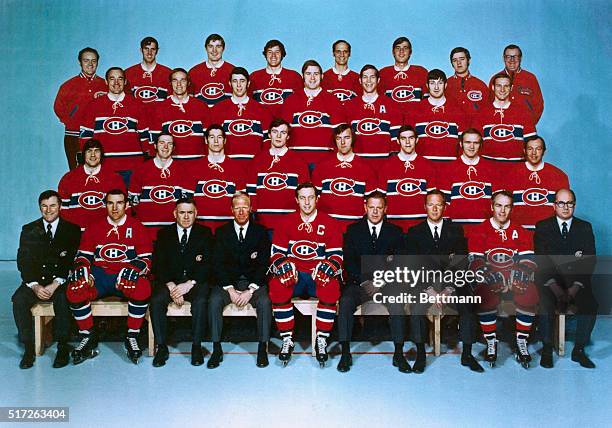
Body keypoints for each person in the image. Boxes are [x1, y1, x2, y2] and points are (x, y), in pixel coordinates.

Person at [66, 189, 152, 365]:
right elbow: (83, 256)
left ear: (127, 205)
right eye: (110, 203)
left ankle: (132, 335)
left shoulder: (137, 226)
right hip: (100, 275)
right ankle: (87, 335)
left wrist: (133, 269)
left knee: (143, 288)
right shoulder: (94, 227)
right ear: (105, 205)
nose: (115, 207)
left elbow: (146, 258)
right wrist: (84, 270)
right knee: (75, 288)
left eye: (119, 203)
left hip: (123, 277)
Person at [406, 190, 483, 373]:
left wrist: (448, 288)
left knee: (468, 302)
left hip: (452, 282)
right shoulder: (414, 232)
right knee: (416, 308)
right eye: (431, 204)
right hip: (425, 284)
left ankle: (467, 354)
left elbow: (460, 261)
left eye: (439, 204)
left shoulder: (455, 230)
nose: (434, 208)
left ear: (444, 207)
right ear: (425, 207)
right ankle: (421, 355)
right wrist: (430, 290)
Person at [269, 183, 343, 367]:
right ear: (296, 200)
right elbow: (276, 254)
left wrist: (327, 265)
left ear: (317, 199)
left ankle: (321, 339)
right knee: (277, 286)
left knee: (331, 286)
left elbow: (336, 255)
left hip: (316, 276)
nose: (307, 202)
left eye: (311, 197)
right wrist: (284, 265)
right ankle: (287, 339)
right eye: (302, 198)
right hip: (295, 276)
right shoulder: (285, 222)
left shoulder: (330, 223)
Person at [337, 191, 409, 373]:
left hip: (386, 283)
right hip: (359, 283)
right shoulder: (353, 230)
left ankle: (399, 353)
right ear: (365, 207)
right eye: (371, 208)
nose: (375, 212)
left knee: (398, 301)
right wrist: (365, 281)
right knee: (345, 302)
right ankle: (345, 352)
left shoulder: (396, 232)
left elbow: (399, 262)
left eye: (379, 208)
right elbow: (349, 262)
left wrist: (380, 281)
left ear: (386, 209)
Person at [468, 190, 538, 369]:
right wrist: (490, 277)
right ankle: (491, 341)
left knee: (530, 294)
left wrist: (517, 277)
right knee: (483, 294)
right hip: (490, 279)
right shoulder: (478, 230)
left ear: (512, 209)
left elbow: (528, 261)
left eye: (507, 206)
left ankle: (521, 341)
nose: (502, 211)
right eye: (498, 205)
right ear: (492, 207)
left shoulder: (521, 231)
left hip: (513, 279)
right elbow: (475, 262)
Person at [13, 190, 81, 369]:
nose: (48, 210)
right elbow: (23, 261)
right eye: (44, 206)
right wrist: (34, 286)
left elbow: (71, 261)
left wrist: (56, 283)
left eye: (52, 205)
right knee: (19, 300)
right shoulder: (29, 230)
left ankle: (62, 346)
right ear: (39, 207)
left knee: (63, 299)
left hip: (59, 282)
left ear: (60, 206)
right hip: (35, 282)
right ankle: (28, 348)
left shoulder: (72, 230)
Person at [534, 189, 597, 368]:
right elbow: (542, 261)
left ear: (574, 206)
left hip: (577, 283)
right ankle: (546, 349)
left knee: (590, 304)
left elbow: (590, 260)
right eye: (561, 203)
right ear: (554, 205)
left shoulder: (584, 227)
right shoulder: (543, 227)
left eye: (569, 203)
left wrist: (575, 287)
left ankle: (579, 350)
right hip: (550, 282)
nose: (565, 207)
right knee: (546, 303)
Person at [209, 193, 272, 368]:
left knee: (265, 302)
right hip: (228, 283)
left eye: (245, 207)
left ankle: (262, 348)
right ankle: (216, 349)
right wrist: (229, 289)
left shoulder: (260, 232)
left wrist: (250, 290)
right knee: (214, 301)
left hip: (252, 283)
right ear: (231, 210)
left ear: (251, 208)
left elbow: (263, 264)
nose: (242, 211)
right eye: (237, 207)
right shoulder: (221, 232)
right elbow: (217, 264)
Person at [150, 198, 213, 367]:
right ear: (175, 214)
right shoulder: (164, 234)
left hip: (194, 283)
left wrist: (189, 284)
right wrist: (171, 287)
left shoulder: (205, 233)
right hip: (170, 282)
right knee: (156, 301)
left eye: (190, 213)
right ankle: (162, 347)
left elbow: (208, 264)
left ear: (196, 214)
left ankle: (196, 346)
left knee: (201, 301)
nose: (186, 217)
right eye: (182, 212)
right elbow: (158, 264)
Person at [78, 67, 148, 185]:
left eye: (120, 79)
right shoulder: (94, 105)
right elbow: (85, 137)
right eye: (112, 79)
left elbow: (145, 137)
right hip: (105, 166)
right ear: (106, 81)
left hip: (133, 166)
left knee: (131, 202)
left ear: (125, 81)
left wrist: (144, 164)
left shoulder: (137, 104)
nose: (116, 83)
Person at [247, 118, 310, 230]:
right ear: (269, 135)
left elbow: (304, 195)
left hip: (290, 224)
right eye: (275, 132)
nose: (279, 136)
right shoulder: (257, 160)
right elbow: (251, 193)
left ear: (288, 136)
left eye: (283, 132)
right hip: (262, 225)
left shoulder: (299, 162)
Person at [280, 60, 346, 166]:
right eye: (308, 74)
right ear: (303, 76)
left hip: (325, 161)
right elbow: (282, 133)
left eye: (316, 74)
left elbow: (341, 134)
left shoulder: (332, 100)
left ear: (322, 76)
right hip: (295, 161)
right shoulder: (291, 100)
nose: (312, 78)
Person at [311, 124, 377, 229]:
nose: (342, 142)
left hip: (355, 228)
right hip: (326, 227)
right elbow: (314, 200)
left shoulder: (366, 168)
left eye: (347, 138)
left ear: (353, 139)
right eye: (339, 138)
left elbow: (371, 203)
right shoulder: (322, 167)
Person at [438, 129, 500, 235]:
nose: (471, 147)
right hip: (456, 230)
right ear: (461, 144)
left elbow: (498, 204)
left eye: (475, 143)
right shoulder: (448, 169)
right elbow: (444, 204)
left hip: (484, 230)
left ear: (480, 145)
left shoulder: (492, 169)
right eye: (468, 142)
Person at [54, 47, 107, 169]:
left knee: (101, 170)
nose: (90, 64)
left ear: (97, 62)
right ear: (80, 62)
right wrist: (71, 120)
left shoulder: (104, 84)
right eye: (86, 60)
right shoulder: (69, 85)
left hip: (98, 135)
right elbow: (58, 106)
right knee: (77, 170)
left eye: (93, 61)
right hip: (74, 135)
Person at [129, 133, 193, 232]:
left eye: (169, 143)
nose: (165, 147)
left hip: (173, 232)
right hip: (146, 229)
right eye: (162, 143)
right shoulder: (142, 169)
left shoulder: (183, 170)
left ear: (174, 147)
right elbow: (134, 201)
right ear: (155, 145)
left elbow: (187, 203)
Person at [377, 125, 437, 231]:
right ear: (398, 141)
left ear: (417, 140)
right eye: (403, 139)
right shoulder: (387, 166)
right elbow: (381, 199)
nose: (408, 142)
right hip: (393, 226)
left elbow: (432, 200)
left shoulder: (427, 166)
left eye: (411, 138)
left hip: (421, 226)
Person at [58, 139, 126, 230]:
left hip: (104, 233)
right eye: (89, 151)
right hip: (76, 234)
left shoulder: (114, 178)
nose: (93, 155)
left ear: (101, 154)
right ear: (83, 154)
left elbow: (123, 210)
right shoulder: (68, 178)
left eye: (97, 151)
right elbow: (63, 211)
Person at [190, 124, 247, 232]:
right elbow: (188, 203)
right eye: (212, 137)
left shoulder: (237, 168)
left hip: (229, 229)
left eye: (219, 137)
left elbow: (241, 202)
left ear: (225, 141)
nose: (216, 141)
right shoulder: (194, 168)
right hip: (201, 228)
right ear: (206, 140)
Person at [209, 67, 273, 161]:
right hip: (227, 167)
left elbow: (268, 143)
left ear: (248, 83)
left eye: (242, 81)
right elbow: (212, 142)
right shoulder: (218, 109)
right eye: (235, 81)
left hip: (254, 165)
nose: (239, 85)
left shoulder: (262, 110)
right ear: (230, 83)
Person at [344, 64, 403, 166]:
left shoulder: (391, 104)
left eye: (372, 77)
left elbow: (396, 137)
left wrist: (393, 162)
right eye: (365, 77)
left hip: (384, 163)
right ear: (360, 81)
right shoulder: (350, 105)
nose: (369, 81)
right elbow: (346, 137)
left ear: (378, 80)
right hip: (358, 163)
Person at [507, 135, 569, 229]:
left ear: (544, 151)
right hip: (518, 232)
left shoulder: (558, 175)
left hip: (548, 232)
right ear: (524, 151)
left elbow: (564, 208)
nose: (534, 153)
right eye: (530, 149)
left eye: (538, 149)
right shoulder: (511, 175)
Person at [404, 69, 467, 161]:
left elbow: (464, 144)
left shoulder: (457, 110)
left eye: (440, 83)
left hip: (449, 167)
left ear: (445, 85)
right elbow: (408, 143)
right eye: (432, 83)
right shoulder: (415, 110)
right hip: (423, 167)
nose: (436, 87)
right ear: (427, 85)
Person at [148, 68, 209, 160]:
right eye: (175, 80)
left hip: (197, 162)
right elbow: (154, 141)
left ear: (188, 83)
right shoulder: (160, 108)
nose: (179, 84)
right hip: (172, 164)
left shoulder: (201, 106)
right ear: (170, 83)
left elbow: (209, 138)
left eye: (183, 80)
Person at [474, 72, 536, 162]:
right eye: (499, 86)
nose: (502, 90)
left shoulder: (523, 112)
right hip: (488, 165)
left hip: (516, 165)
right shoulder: (482, 112)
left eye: (506, 86)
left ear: (511, 88)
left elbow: (531, 143)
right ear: (493, 87)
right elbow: (474, 142)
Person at [489, 44, 544, 124]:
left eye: (515, 56)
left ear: (520, 58)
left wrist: (529, 124)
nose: (512, 60)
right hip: (501, 126)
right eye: (508, 57)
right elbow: (489, 104)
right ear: (504, 58)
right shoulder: (495, 79)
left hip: (524, 127)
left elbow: (538, 105)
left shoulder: (530, 78)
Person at [249, 39, 303, 118]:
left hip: (286, 126)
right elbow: (249, 105)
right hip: (262, 126)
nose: (273, 55)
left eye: (277, 52)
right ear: (265, 55)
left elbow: (301, 104)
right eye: (270, 52)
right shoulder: (254, 77)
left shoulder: (294, 77)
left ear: (282, 54)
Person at [379, 36, 428, 112]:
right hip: (392, 121)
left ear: (410, 52)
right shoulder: (383, 73)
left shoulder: (421, 72)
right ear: (393, 52)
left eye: (405, 48)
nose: (401, 51)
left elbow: (428, 101)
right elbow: (378, 103)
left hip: (414, 120)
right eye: (398, 48)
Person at [189, 34, 235, 107]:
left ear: (223, 48)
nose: (214, 50)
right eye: (210, 46)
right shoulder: (194, 72)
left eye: (218, 46)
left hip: (224, 116)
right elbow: (189, 102)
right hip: (202, 116)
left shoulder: (233, 71)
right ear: (206, 48)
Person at [445, 47, 488, 123]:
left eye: (462, 59)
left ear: (469, 60)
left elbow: (488, 111)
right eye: (455, 60)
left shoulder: (481, 85)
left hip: (475, 131)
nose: (459, 63)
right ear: (451, 63)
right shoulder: (445, 85)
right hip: (452, 130)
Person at [125, 36, 172, 104]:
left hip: (160, 114)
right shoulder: (128, 73)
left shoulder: (168, 73)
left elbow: (172, 100)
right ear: (141, 50)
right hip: (136, 114)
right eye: (146, 49)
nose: (149, 52)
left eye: (153, 49)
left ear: (157, 51)